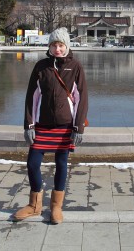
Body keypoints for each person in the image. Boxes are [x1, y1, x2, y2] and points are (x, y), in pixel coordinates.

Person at [13, 27, 89, 224]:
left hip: (65, 126)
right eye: (54, 45)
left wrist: (78, 127)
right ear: (49, 46)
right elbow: (32, 97)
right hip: (42, 124)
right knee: (32, 164)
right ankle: (34, 205)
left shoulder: (76, 67)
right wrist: (28, 125)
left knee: (62, 164)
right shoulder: (41, 66)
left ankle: (56, 206)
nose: (57, 48)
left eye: (61, 45)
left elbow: (82, 98)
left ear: (67, 46)